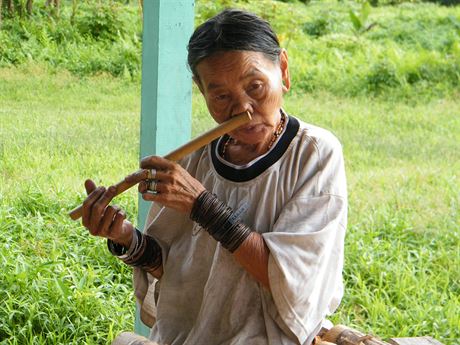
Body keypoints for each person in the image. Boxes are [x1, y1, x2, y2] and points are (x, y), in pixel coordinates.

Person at [81, 9, 347, 345]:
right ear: (201, 91)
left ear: (283, 69)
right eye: (221, 96)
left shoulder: (314, 154)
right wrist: (123, 236)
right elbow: (174, 268)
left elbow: (289, 280)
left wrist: (200, 204)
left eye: (256, 86)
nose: (243, 109)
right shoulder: (195, 159)